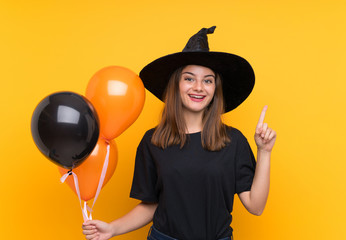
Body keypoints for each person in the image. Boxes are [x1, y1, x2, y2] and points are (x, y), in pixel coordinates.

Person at [82, 26, 276, 240]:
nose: (199, 87)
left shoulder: (233, 141)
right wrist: (112, 229)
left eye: (208, 80)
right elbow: (151, 205)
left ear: (215, 90)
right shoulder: (153, 141)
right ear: (176, 85)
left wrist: (264, 151)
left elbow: (256, 206)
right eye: (189, 78)